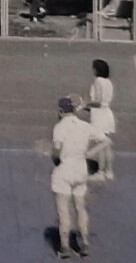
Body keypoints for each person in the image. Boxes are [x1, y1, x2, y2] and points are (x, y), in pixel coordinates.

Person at [51, 96, 111, 258]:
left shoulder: (59, 128)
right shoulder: (85, 126)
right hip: (81, 170)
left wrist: (54, 157)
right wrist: (90, 153)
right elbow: (106, 141)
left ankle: (64, 248)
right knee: (80, 207)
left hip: (64, 171)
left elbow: (56, 151)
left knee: (63, 210)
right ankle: (84, 244)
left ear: (61, 111)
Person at [86, 59, 116, 181]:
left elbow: (97, 102)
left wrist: (85, 104)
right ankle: (109, 172)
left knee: (101, 143)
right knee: (106, 146)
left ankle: (100, 173)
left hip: (99, 117)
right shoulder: (108, 82)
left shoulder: (98, 81)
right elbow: (104, 102)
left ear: (96, 70)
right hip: (107, 114)